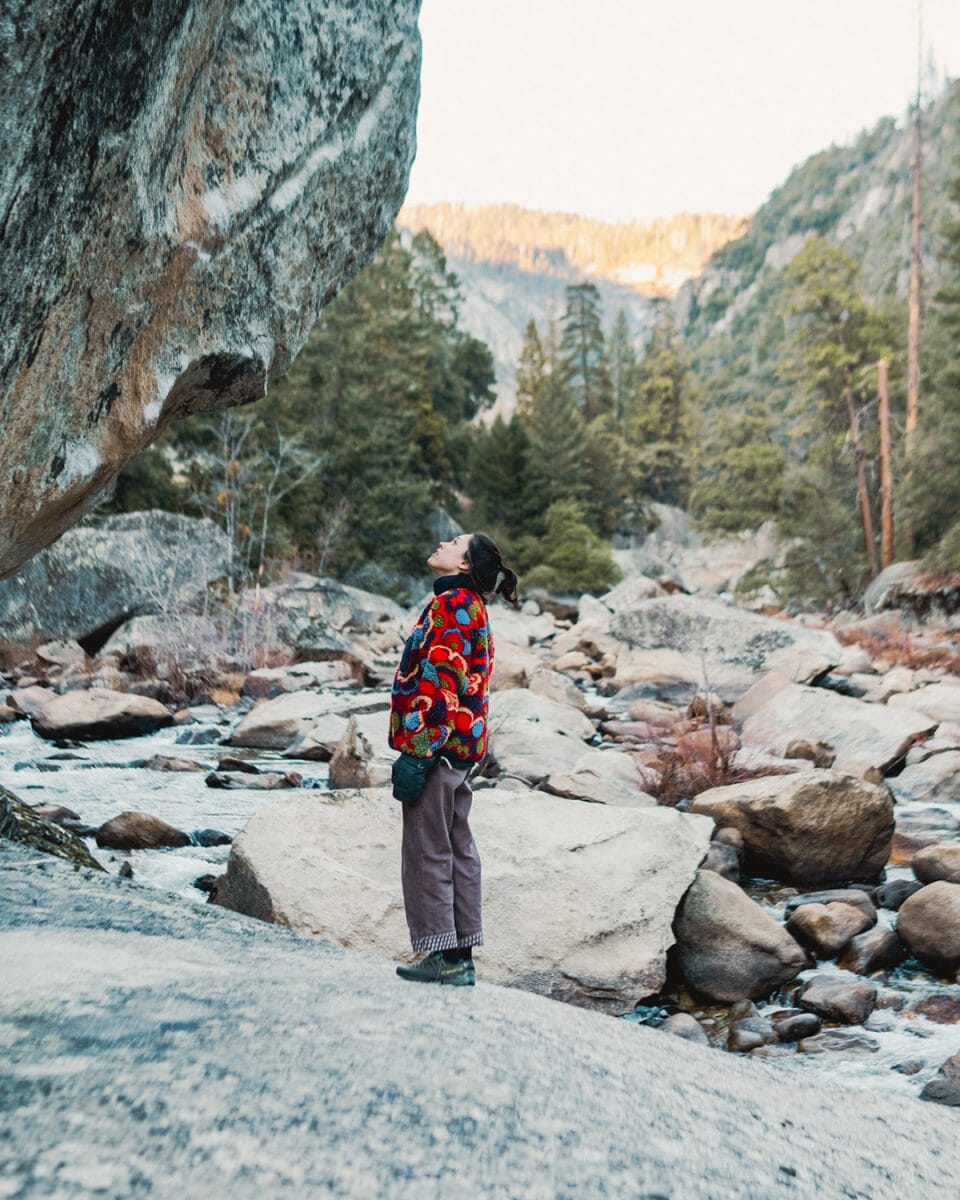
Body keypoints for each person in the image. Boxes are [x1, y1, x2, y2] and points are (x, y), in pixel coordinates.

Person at [388, 530, 519, 985]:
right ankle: (460, 954)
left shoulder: (451, 606)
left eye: (454, 542)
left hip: (439, 749)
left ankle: (443, 955)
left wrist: (418, 752)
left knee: (429, 850)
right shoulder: (472, 606)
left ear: (464, 565)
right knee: (457, 846)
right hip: (460, 749)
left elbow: (441, 682)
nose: (442, 542)